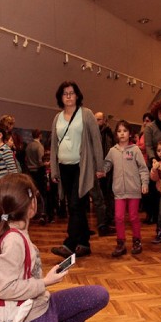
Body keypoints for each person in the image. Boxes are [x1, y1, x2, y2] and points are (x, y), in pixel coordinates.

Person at [0, 173, 109, 322]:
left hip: (44, 305)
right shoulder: (13, 240)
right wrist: (45, 282)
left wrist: (44, 281)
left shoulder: (19, 232)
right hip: (30, 318)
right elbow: (4, 289)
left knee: (99, 295)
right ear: (31, 205)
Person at [49, 81, 104, 259]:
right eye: (65, 93)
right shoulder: (57, 118)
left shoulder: (86, 114)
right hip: (64, 167)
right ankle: (84, 243)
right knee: (77, 206)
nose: (69, 96)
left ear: (78, 95)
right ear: (60, 97)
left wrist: (99, 166)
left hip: (82, 166)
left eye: (72, 93)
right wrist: (54, 169)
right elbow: (54, 145)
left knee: (74, 204)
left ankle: (70, 243)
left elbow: (96, 141)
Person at [101, 120, 149, 257]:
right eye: (119, 131)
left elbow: (143, 169)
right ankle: (121, 243)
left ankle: (137, 241)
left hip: (134, 190)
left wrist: (144, 184)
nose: (122, 134)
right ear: (116, 134)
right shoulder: (112, 151)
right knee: (118, 217)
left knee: (134, 217)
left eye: (125, 131)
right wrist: (103, 171)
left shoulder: (135, 150)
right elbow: (107, 164)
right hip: (119, 191)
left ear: (129, 133)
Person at [91, 111, 116, 236]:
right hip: (95, 168)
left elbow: (109, 150)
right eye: (95, 119)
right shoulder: (93, 133)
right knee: (99, 197)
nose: (97, 122)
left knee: (107, 195)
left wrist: (105, 167)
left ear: (103, 120)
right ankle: (103, 223)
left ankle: (108, 220)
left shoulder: (108, 133)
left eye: (99, 119)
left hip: (107, 167)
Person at [25, 128, 49, 224]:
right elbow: (40, 161)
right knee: (42, 193)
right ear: (39, 135)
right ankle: (42, 213)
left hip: (30, 172)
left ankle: (33, 213)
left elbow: (26, 159)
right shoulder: (39, 146)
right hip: (38, 171)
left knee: (32, 193)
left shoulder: (28, 146)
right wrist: (47, 164)